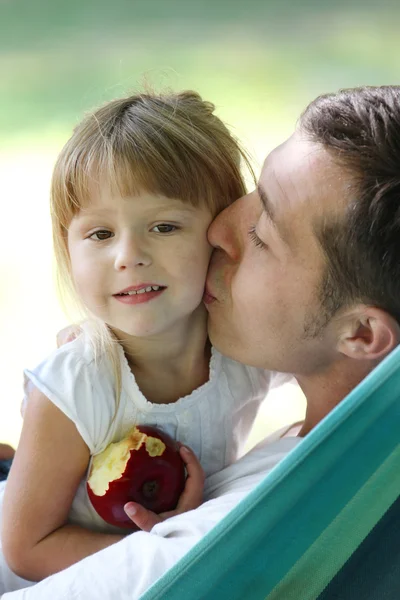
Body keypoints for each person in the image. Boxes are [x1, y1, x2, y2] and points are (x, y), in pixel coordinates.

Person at [3, 84, 400, 600]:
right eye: (250, 195)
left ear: (361, 334)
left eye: (263, 231)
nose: (219, 230)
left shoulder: (202, 547)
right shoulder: (335, 410)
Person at [0, 90, 282, 593]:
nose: (128, 256)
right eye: (100, 234)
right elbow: (26, 548)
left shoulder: (245, 348)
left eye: (164, 226)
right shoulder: (79, 381)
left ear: (220, 235)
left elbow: (340, 362)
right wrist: (166, 547)